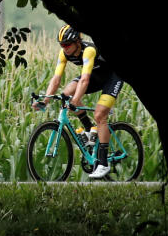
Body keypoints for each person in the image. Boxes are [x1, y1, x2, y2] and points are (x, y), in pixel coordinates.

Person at [34, 25, 124, 180]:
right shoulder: (64, 53)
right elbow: (56, 79)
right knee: (65, 95)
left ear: (77, 41)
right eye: (62, 45)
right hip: (96, 76)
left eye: (67, 44)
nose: (64, 48)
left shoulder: (88, 50)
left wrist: (76, 101)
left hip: (112, 77)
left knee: (100, 115)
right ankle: (90, 130)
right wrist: (46, 100)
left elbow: (85, 79)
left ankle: (103, 163)